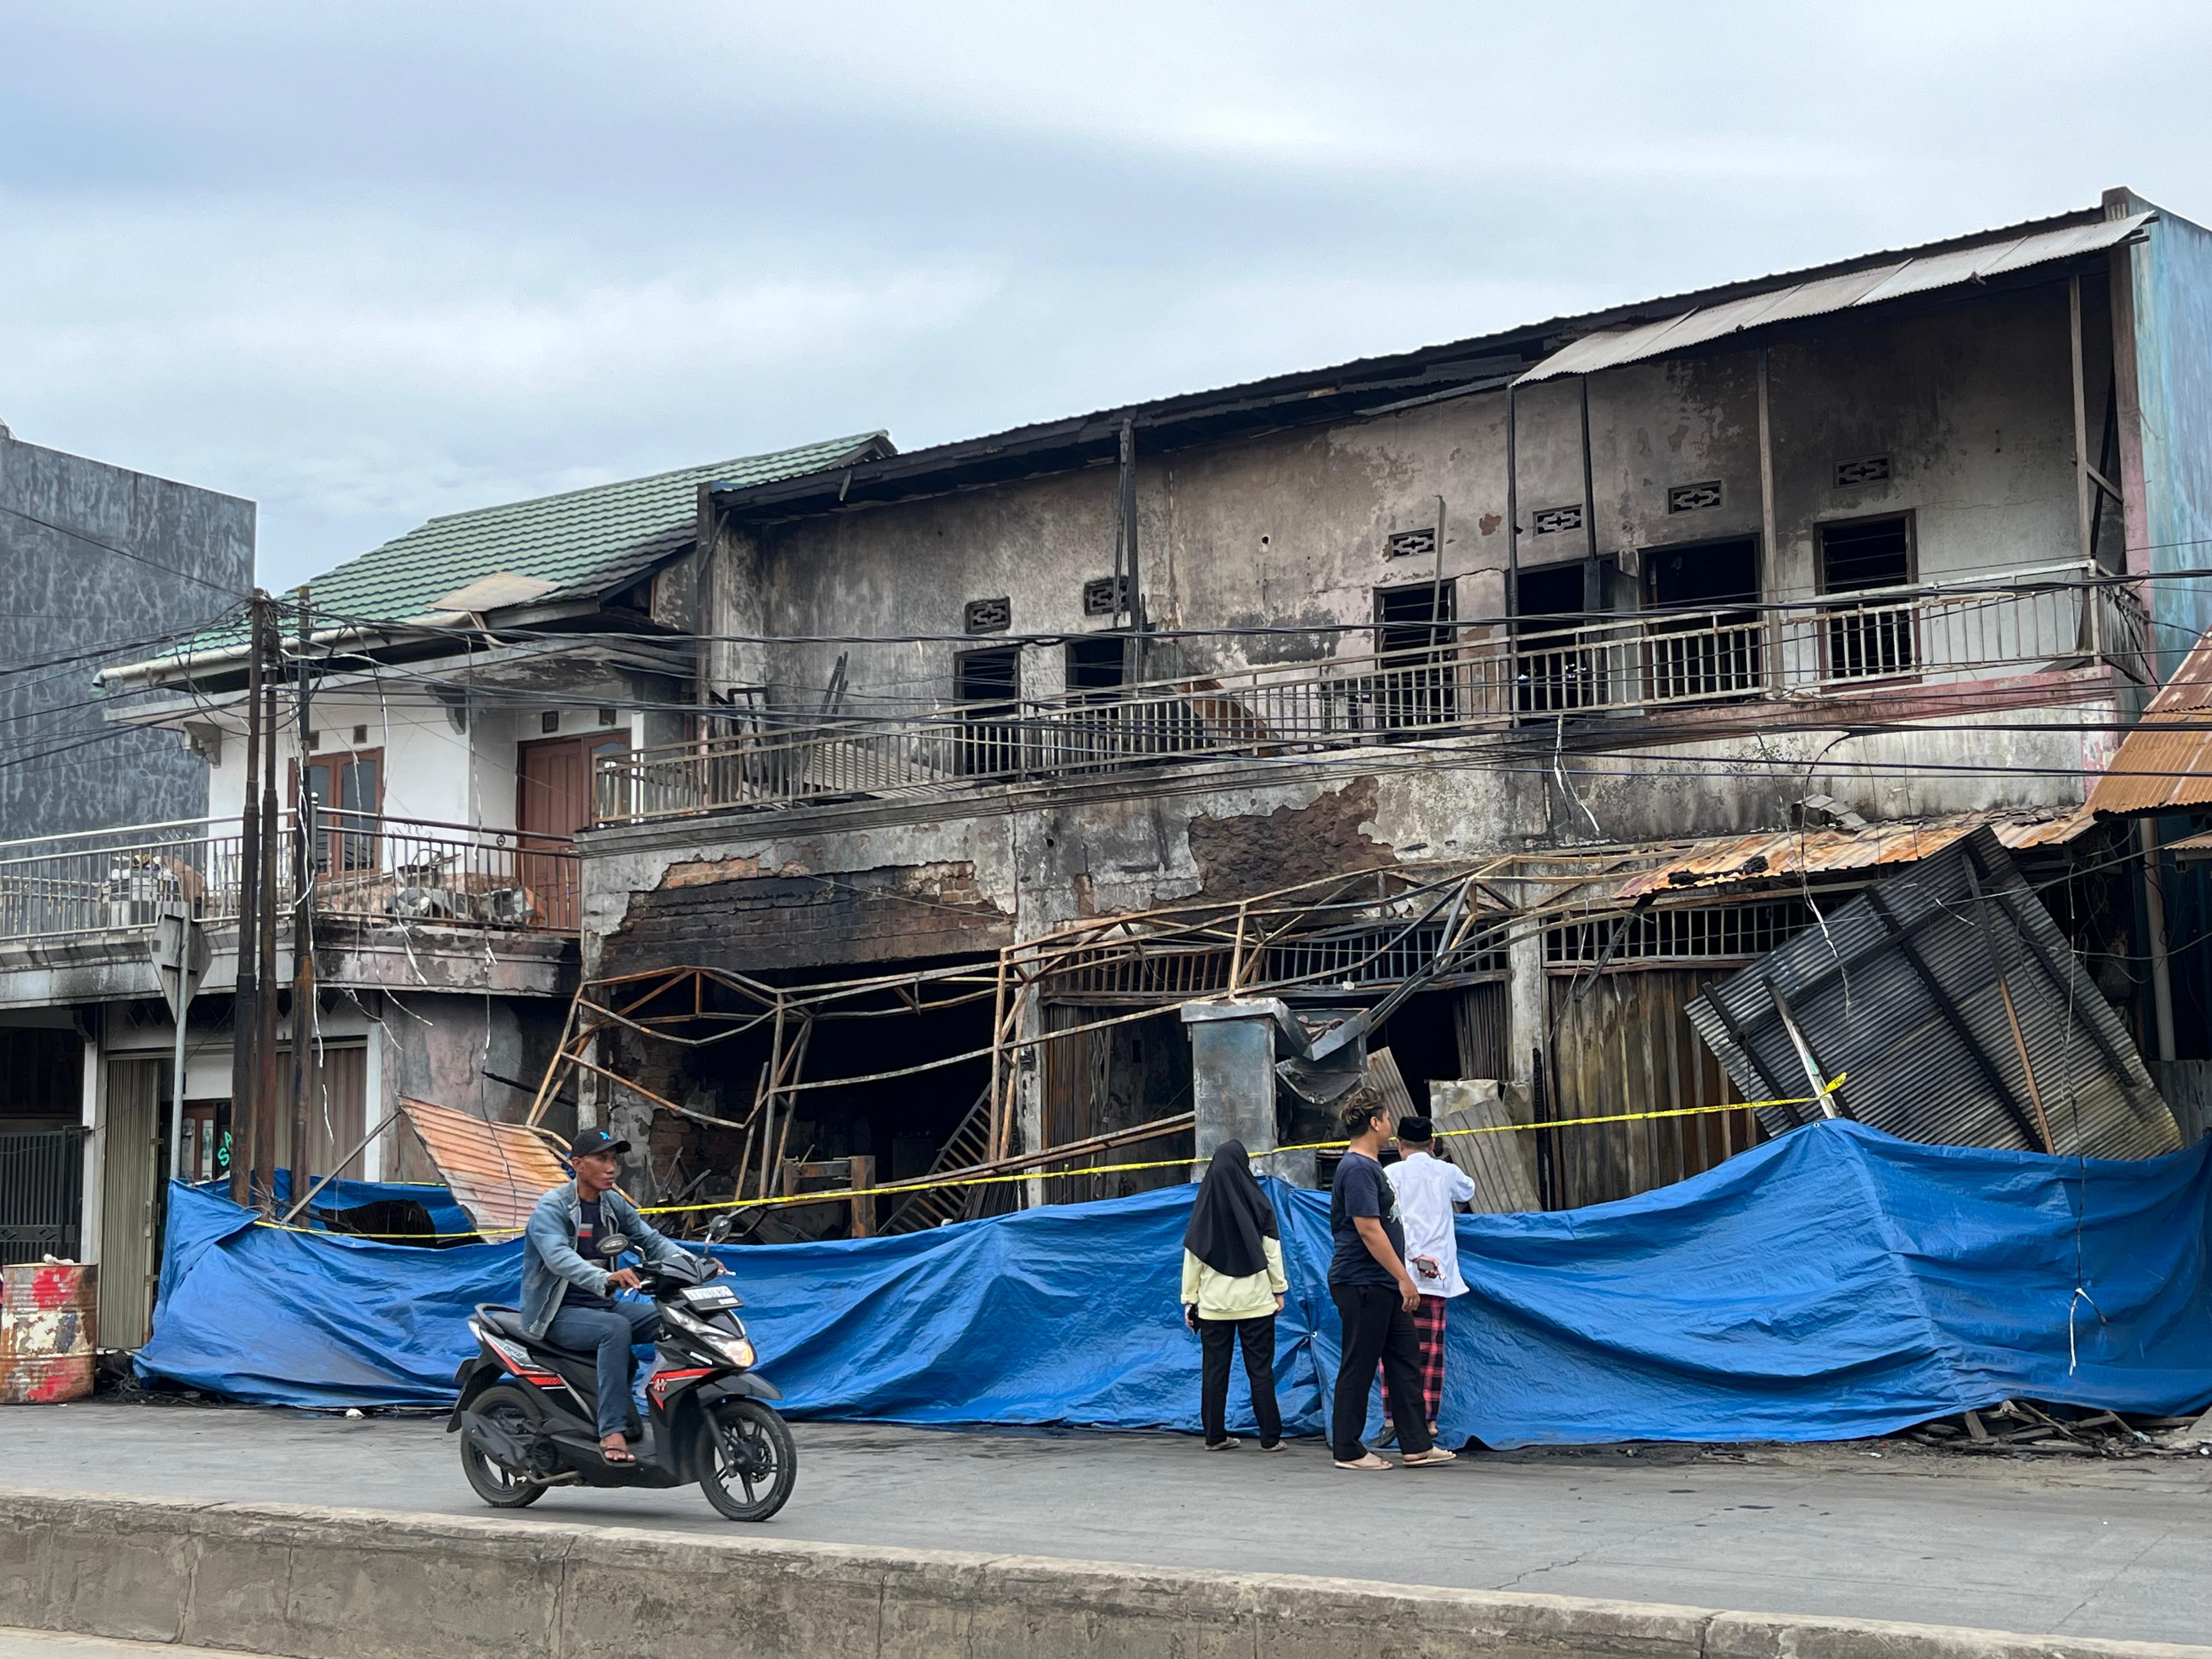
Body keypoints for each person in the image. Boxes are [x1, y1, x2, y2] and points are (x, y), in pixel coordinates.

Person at [520, 1127, 689, 1464]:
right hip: (557, 1313)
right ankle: (611, 1431)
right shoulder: (553, 1207)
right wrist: (605, 1277)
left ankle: (676, 1410)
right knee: (615, 1330)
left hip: (602, 1306)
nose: (611, 1168)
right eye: (602, 1159)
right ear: (578, 1164)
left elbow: (651, 1240)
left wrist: (692, 1264)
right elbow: (558, 1257)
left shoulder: (613, 1203)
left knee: (674, 1318)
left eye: (613, 1159)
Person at [1327, 1089, 1455, 1471]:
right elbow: (1369, 1229)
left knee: (1405, 1358)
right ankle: (1348, 1450)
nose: (1390, 1125)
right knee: (1359, 1363)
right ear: (1375, 1123)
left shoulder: (1372, 1168)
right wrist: (1404, 1277)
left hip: (1381, 1282)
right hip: (1363, 1282)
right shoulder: (1357, 1169)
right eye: (1386, 1118)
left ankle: (1416, 1444)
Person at [1180, 1139, 1288, 1452]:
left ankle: (1214, 1436)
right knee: (1261, 1370)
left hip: (1215, 1306)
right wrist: (1279, 1290)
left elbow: (1193, 1259)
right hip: (1257, 1303)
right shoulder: (1259, 1203)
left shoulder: (1205, 1208)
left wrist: (1190, 1299)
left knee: (1215, 1371)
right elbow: (1272, 1252)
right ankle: (1270, 1438)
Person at [1380, 1115, 1476, 1448]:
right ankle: (1428, 1421)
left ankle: (1392, 1417)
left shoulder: (1390, 1174)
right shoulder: (1445, 1172)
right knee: (1431, 1352)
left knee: (1394, 1348)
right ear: (1433, 1144)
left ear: (1399, 1145)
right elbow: (1468, 1190)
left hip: (1401, 1273)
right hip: (1437, 1277)